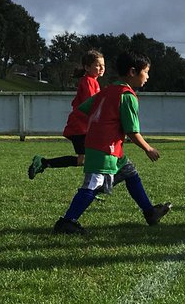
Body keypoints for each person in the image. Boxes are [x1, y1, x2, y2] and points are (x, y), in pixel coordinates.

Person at [52, 51, 172, 235]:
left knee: (130, 171)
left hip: (105, 146)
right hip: (104, 148)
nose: (147, 77)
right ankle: (67, 221)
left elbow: (83, 109)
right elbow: (132, 131)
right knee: (93, 183)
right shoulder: (127, 96)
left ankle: (150, 212)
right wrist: (148, 148)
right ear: (133, 72)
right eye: (146, 72)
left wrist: (99, 124)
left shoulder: (107, 90)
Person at [29, 49, 104, 180]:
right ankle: (89, 189)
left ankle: (90, 188)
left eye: (103, 65)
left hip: (83, 127)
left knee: (86, 159)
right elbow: (91, 104)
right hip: (80, 127)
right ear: (87, 67)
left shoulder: (93, 81)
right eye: (98, 65)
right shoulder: (88, 81)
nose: (101, 68)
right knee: (88, 158)